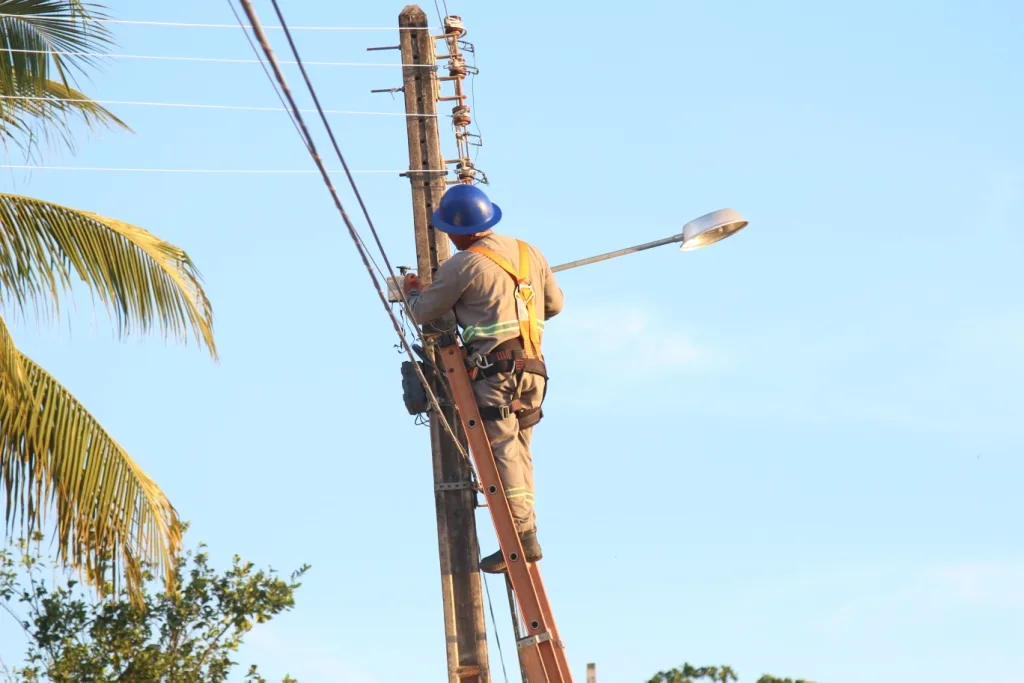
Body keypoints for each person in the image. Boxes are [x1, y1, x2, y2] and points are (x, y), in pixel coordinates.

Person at [402, 183, 564, 573]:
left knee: (503, 451)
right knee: (521, 452)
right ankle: (528, 531)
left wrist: (412, 292)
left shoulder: (463, 265)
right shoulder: (530, 253)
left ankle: (522, 538)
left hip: (496, 375)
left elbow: (424, 312)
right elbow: (554, 305)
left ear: (458, 230)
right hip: (535, 371)